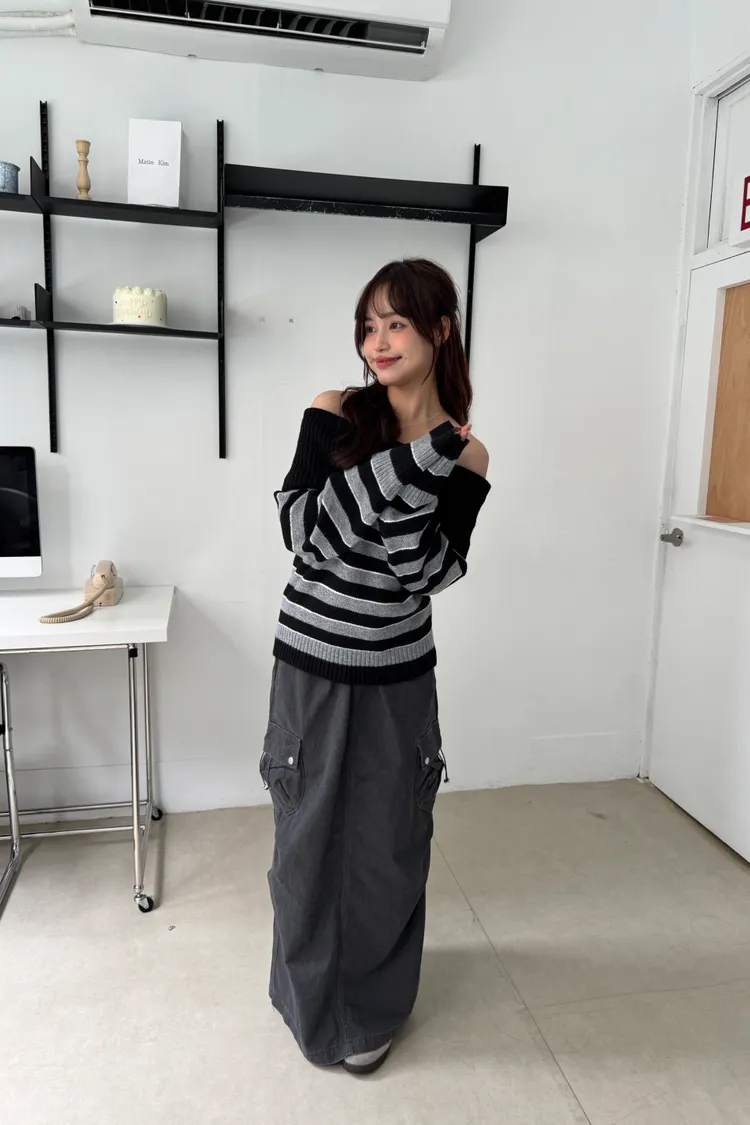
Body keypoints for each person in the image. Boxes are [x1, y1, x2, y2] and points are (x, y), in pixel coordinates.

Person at [261, 258, 491, 1075]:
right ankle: (306, 998)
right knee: (305, 842)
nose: (378, 342)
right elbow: (302, 532)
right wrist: (413, 459)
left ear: (440, 328)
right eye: (369, 325)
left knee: (389, 846)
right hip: (312, 665)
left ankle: (372, 1010)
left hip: (399, 675)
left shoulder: (468, 456)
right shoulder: (336, 411)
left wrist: (430, 462)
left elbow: (423, 572)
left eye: (397, 322)